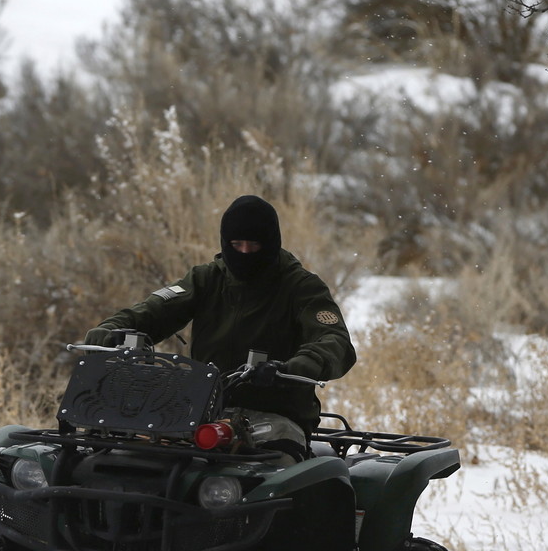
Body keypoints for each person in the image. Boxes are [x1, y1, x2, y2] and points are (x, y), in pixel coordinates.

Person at [83, 194, 356, 460]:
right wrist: (113, 330)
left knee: (272, 470)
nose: (245, 253)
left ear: (272, 243)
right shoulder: (206, 279)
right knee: (128, 457)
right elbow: (154, 310)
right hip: (200, 408)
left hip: (275, 414)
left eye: (255, 245)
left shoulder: (301, 287)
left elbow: (334, 341)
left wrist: (295, 367)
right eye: (237, 245)